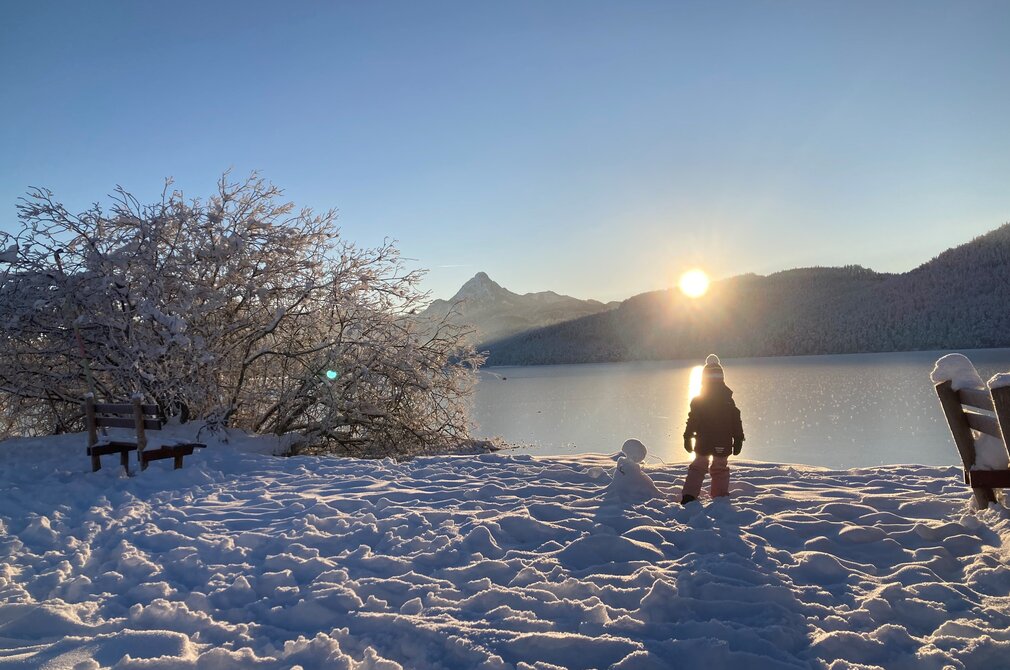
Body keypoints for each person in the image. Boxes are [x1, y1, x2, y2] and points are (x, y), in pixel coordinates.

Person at [681, 354, 745, 504]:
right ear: (722, 379)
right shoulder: (728, 400)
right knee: (720, 468)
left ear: (703, 379)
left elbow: (692, 420)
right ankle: (720, 496)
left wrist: (687, 436)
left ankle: (689, 496)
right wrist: (738, 439)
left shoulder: (699, 400)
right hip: (723, 440)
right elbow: (736, 421)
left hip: (704, 441)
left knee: (698, 467)